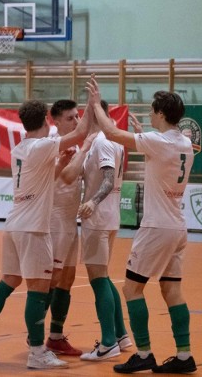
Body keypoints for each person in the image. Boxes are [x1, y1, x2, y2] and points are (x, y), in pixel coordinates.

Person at [0, 98, 93, 369]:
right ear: (48, 121)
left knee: (8, 281)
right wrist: (92, 105)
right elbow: (80, 133)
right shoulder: (43, 145)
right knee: (38, 289)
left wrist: (59, 164)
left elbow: (45, 178)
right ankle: (37, 352)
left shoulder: (20, 149)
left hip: (13, 225)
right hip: (34, 228)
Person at [85, 76, 197, 374]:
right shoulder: (184, 141)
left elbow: (109, 131)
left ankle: (144, 353)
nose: (149, 113)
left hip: (157, 228)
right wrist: (142, 134)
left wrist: (96, 105)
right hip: (177, 226)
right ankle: (185, 356)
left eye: (152, 110)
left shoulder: (158, 142)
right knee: (172, 290)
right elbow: (161, 153)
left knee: (132, 289)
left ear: (161, 113)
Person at [60, 100, 132, 361]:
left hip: (98, 217)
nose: (80, 117)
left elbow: (109, 177)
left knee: (98, 279)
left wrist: (91, 201)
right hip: (110, 217)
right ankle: (122, 335)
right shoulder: (112, 139)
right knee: (104, 275)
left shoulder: (101, 141)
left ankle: (108, 343)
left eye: (85, 113)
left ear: (95, 113)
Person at [43, 99, 84, 356]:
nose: (76, 122)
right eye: (70, 118)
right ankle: (34, 333)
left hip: (71, 218)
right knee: (51, 279)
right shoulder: (51, 144)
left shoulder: (78, 144)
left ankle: (55, 336)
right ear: (55, 121)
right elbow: (61, 177)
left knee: (67, 280)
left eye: (78, 116)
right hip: (55, 218)